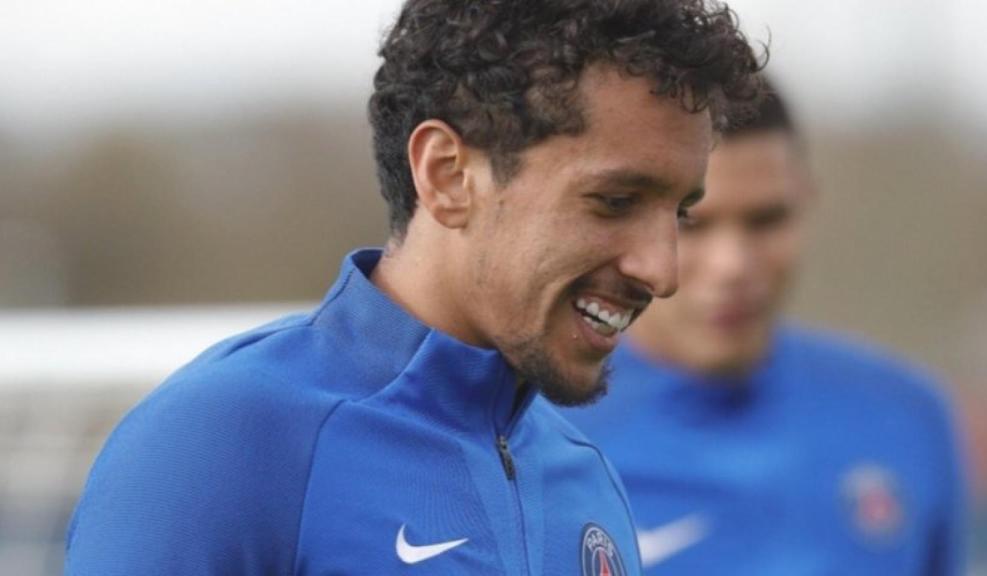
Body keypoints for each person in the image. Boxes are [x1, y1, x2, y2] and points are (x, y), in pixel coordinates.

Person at [63, 1, 763, 574]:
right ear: (448, 174)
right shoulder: (223, 443)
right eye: (614, 201)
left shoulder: (586, 483)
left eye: (679, 213)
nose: (663, 271)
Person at [561, 80, 968, 575]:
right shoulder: (538, 430)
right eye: (692, 223)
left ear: (806, 202)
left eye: (765, 220)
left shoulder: (904, 416)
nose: (733, 264)